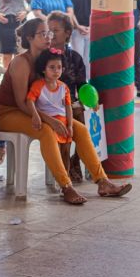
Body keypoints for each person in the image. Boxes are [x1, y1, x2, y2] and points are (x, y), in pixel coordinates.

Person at [0, 18, 131, 205]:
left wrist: (65, 116)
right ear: (29, 38)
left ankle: (102, 182)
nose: (48, 37)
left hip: (37, 112)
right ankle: (66, 186)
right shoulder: (21, 63)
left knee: (80, 129)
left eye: (49, 33)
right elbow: (21, 103)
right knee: (46, 131)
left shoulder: (44, 60)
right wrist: (51, 121)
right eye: (43, 33)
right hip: (9, 113)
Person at [47, 11, 87, 183]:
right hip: (50, 106)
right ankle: (66, 169)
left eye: (55, 30)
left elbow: (82, 85)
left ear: (67, 33)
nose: (51, 34)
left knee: (87, 117)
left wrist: (89, 102)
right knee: (70, 120)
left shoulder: (75, 58)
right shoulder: (44, 58)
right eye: (49, 30)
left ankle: (75, 160)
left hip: (71, 103)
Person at [27, 48, 74, 176]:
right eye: (52, 67)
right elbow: (29, 101)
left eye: (59, 67)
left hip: (63, 123)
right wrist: (35, 115)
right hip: (49, 122)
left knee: (66, 152)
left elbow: (68, 107)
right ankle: (59, 177)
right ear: (43, 69)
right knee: (56, 152)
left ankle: (66, 177)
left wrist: (70, 125)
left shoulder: (64, 87)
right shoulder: (38, 85)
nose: (56, 71)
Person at [66, 0, 92, 78]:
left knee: (89, 60)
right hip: (76, 30)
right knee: (77, 59)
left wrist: (91, 27)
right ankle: (78, 84)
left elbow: (97, 9)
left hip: (92, 30)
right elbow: (70, 10)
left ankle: (88, 85)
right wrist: (78, 26)